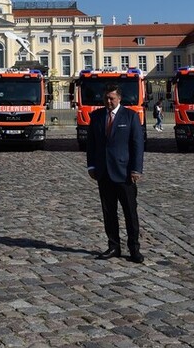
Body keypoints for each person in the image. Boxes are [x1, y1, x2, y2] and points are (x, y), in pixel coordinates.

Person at [86, 83, 145, 263]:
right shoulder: (96, 117)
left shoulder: (130, 116)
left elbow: (137, 144)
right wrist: (91, 166)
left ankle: (134, 248)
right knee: (109, 212)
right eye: (106, 98)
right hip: (103, 173)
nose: (108, 101)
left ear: (119, 98)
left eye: (111, 98)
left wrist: (136, 169)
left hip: (125, 173)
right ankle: (114, 246)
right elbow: (91, 144)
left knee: (130, 213)